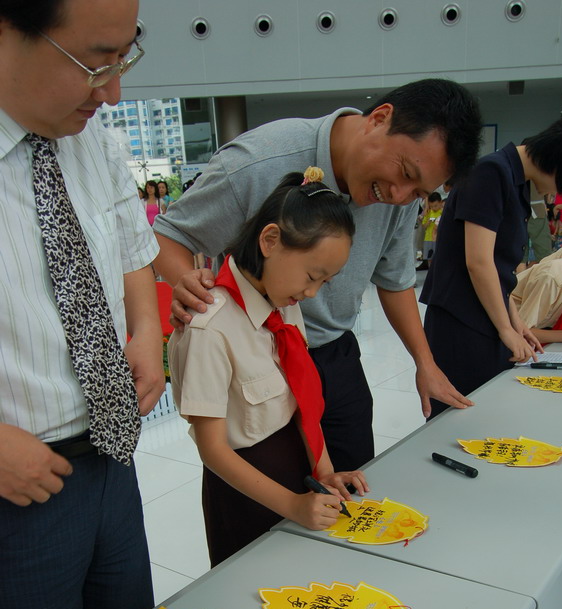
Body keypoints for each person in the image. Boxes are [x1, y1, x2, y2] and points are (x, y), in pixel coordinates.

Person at [154, 79, 483, 471]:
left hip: (334, 354)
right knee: (270, 480)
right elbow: (168, 234)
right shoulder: (258, 162)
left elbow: (395, 282)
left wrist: (424, 362)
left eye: (417, 191)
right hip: (256, 359)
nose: (398, 195)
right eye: (405, 171)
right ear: (380, 118)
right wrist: (192, 287)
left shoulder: (400, 198)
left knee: (353, 481)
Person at [0, 0, 165, 609]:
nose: (113, 91)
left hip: (110, 461)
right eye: (95, 63)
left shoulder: (89, 136)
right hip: (16, 490)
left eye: (124, 60)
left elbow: (130, 244)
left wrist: (147, 329)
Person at [169, 168, 369, 566]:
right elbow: (213, 449)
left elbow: (300, 403)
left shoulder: (284, 305)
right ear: (270, 240)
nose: (311, 292)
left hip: (299, 467)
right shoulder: (210, 327)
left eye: (325, 282)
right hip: (244, 489)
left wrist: (325, 472)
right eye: (312, 276)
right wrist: (293, 505)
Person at [420, 115, 562, 418]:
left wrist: (516, 323)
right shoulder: (491, 172)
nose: (553, 195)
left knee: (488, 411)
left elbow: (497, 269)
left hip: (485, 314)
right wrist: (506, 329)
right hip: (460, 320)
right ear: (559, 162)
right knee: (461, 416)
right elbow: (478, 262)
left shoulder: (514, 181)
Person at [511, 240, 562, 345]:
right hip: (500, 330)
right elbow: (520, 333)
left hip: (537, 323)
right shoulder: (553, 279)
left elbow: (555, 309)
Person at [416, 191, 443, 270]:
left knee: (439, 257)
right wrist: (428, 222)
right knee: (429, 257)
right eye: (432, 206)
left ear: (440, 202)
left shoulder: (443, 212)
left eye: (435, 206)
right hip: (428, 238)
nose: (434, 208)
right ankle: (430, 271)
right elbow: (424, 226)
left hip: (439, 238)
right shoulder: (428, 212)